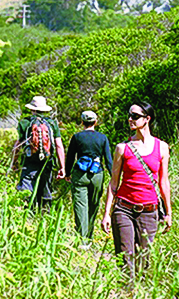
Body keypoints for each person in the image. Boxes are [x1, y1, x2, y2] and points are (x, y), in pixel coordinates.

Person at [100, 100, 171, 280]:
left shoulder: (161, 147)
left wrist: (169, 212)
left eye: (135, 116)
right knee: (125, 257)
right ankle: (127, 298)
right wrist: (106, 213)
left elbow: (163, 181)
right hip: (123, 209)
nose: (130, 119)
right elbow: (113, 183)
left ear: (147, 119)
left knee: (144, 260)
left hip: (149, 210)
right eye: (129, 116)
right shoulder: (122, 148)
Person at [64, 110, 113, 242]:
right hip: (97, 175)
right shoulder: (102, 138)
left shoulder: (77, 137)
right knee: (93, 204)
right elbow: (108, 159)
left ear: (82, 122)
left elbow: (70, 157)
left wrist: (67, 173)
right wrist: (114, 176)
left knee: (80, 206)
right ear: (96, 122)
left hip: (80, 174)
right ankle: (89, 237)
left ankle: (82, 239)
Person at [13, 95, 65, 213]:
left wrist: (14, 161)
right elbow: (58, 146)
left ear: (32, 109)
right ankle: (44, 217)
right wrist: (62, 167)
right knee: (45, 190)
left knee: (26, 192)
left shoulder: (25, 123)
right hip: (47, 162)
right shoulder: (52, 123)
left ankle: (27, 218)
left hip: (28, 162)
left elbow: (18, 145)